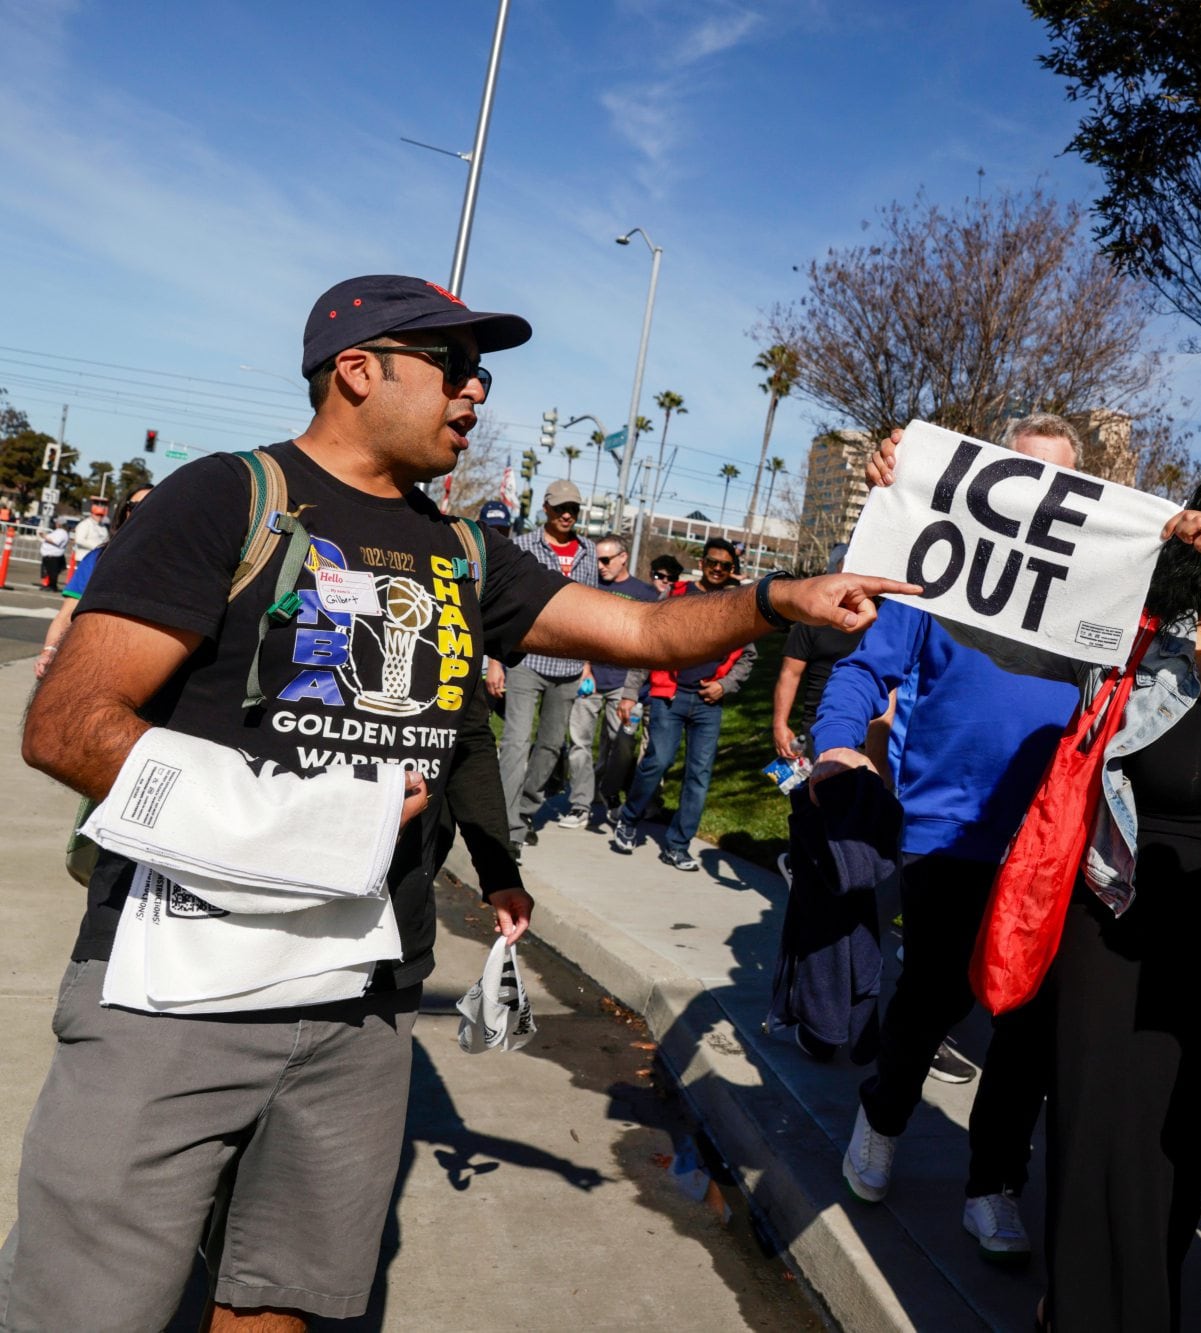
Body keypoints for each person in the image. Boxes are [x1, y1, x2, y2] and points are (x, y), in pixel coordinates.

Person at [4, 272, 909, 1331]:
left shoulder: (466, 551)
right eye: (455, 366)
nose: (477, 392)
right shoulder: (229, 497)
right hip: (174, 986)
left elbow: (641, 632)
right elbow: (70, 724)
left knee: (281, 1296)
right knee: (84, 1307)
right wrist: (302, 819)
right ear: (356, 370)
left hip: (364, 996)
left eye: (481, 371)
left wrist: (773, 599)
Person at [937, 458, 1201, 1329]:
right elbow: (1003, 623)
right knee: (1095, 1148)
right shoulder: (1133, 635)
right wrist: (917, 494)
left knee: (1180, 1155)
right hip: (1113, 935)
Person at [811, 414, 1094, 1261]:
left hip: (1048, 846)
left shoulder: (1095, 594)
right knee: (933, 999)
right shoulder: (938, 574)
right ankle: (883, 1114)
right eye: (1024, 474)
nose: (1041, 496)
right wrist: (834, 739)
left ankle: (994, 1182)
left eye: (1062, 484)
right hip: (947, 831)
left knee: (1029, 1026)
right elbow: (865, 664)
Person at [609, 537, 756, 869]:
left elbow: (748, 657)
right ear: (701, 563)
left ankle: (678, 844)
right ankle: (629, 819)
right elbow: (648, 642)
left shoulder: (737, 603)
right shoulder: (676, 595)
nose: (718, 569)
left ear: (733, 570)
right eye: (712, 563)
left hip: (708, 702)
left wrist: (725, 685)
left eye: (726, 565)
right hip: (669, 696)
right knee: (657, 761)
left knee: (699, 775)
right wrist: (631, 691)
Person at [488, 477, 598, 855]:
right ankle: (507, 830)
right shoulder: (521, 546)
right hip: (524, 660)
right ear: (546, 509)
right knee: (516, 743)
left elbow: (590, 614)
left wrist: (587, 665)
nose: (568, 514)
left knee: (550, 747)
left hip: (568, 667)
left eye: (574, 509)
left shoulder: (588, 552)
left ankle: (525, 809)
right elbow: (502, 607)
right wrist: (495, 662)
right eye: (561, 508)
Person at [550, 534, 656, 831]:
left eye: (606, 559)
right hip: (590, 680)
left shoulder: (644, 593)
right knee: (579, 743)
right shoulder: (591, 587)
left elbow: (648, 644)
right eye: (597, 559)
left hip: (624, 684)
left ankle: (607, 792)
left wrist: (633, 691)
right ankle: (580, 804)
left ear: (623, 557)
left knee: (621, 744)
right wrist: (585, 669)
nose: (600, 565)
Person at [37, 485, 152, 679]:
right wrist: (49, 651)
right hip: (90, 668)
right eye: (135, 506)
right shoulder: (97, 558)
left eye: (151, 506)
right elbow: (66, 615)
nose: (141, 511)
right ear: (124, 511)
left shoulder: (177, 565)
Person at [772, 543, 861, 763]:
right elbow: (790, 674)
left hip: (868, 725)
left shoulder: (880, 622)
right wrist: (780, 724)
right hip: (819, 726)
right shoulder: (811, 620)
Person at [37, 518, 68, 589]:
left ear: (59, 524)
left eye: (57, 523)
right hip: (50, 554)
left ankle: (53, 586)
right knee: (49, 572)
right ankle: (50, 585)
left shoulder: (62, 532)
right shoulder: (59, 532)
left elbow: (56, 541)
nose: (55, 524)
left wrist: (44, 536)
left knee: (52, 572)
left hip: (53, 555)